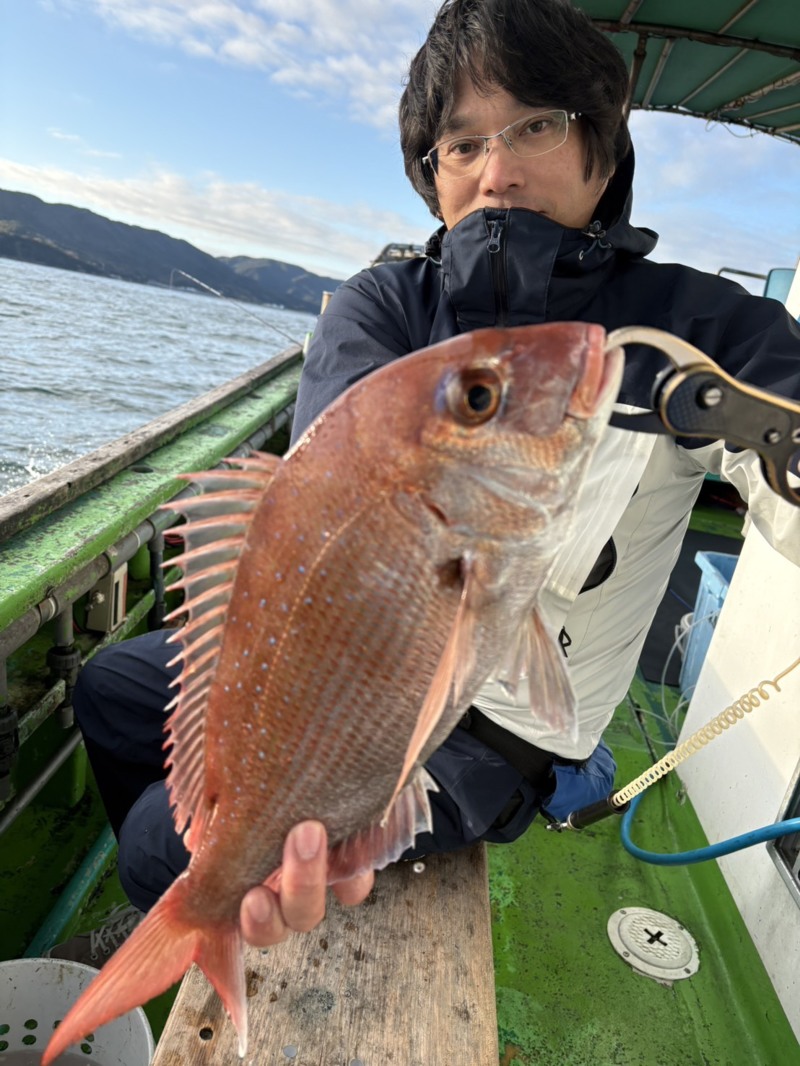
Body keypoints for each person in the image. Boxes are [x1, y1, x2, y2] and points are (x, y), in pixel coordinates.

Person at [60, 0, 800, 961]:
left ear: (603, 151)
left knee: (161, 844)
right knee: (110, 688)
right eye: (463, 144)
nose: (498, 171)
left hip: (500, 733)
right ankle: (184, 907)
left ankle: (177, 910)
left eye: (536, 125)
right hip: (357, 679)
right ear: (434, 173)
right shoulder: (388, 304)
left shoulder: (704, 329)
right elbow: (326, 519)